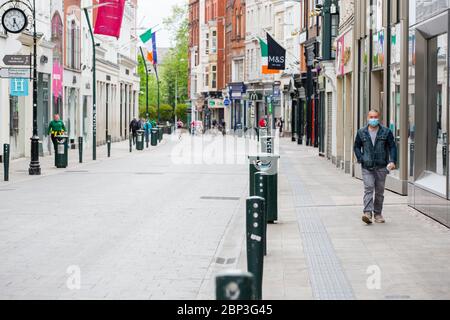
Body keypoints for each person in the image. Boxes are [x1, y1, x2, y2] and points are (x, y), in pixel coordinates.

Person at [354, 109, 397, 224]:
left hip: (381, 166)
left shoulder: (386, 132)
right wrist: (361, 158)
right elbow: (356, 147)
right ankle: (367, 213)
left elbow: (392, 147)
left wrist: (392, 160)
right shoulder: (361, 132)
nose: (373, 119)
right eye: (371, 117)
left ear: (379, 118)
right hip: (367, 166)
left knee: (379, 192)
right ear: (367, 118)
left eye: (375, 117)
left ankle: (378, 214)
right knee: (368, 188)